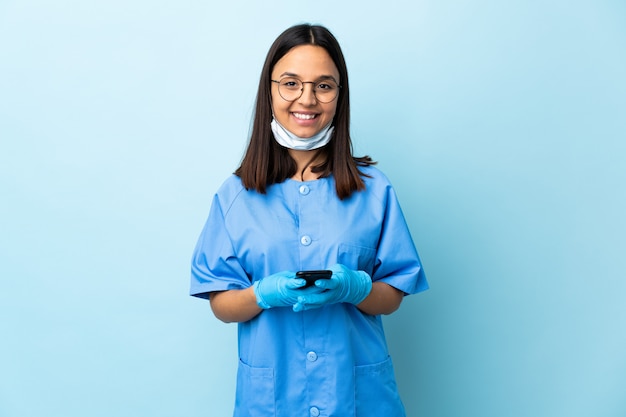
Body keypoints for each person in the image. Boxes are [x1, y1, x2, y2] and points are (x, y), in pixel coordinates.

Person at [190, 23, 428, 417]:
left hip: (357, 397)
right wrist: (263, 294)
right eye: (290, 83)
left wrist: (355, 288)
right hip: (273, 399)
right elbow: (220, 302)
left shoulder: (374, 190)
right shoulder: (235, 195)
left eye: (324, 85)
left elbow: (393, 295)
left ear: (339, 95)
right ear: (270, 90)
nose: (307, 98)